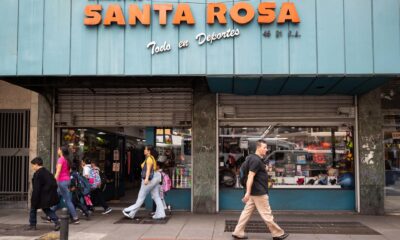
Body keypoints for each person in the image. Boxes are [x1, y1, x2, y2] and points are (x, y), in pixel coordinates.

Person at [232, 140, 289, 240]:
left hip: (254, 192)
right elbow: (250, 176)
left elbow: (256, 173)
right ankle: (277, 233)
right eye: (265, 147)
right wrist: (247, 193)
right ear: (258, 148)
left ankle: (238, 232)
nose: (266, 150)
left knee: (246, 213)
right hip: (258, 192)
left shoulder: (251, 159)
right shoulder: (256, 160)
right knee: (267, 214)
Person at [122, 145, 166, 220]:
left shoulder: (149, 159)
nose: (144, 150)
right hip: (156, 178)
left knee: (141, 197)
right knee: (156, 196)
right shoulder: (152, 158)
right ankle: (161, 214)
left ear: (149, 151)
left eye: (145, 149)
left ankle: (129, 211)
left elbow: (148, 170)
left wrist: (146, 179)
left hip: (149, 179)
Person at [27, 157, 60, 231]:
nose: (32, 167)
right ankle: (57, 222)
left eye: (32, 165)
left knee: (33, 208)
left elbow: (36, 188)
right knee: (46, 209)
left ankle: (32, 225)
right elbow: (54, 184)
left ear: (36, 164)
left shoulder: (38, 174)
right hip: (47, 195)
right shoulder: (47, 172)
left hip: (41, 195)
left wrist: (34, 198)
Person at [55, 146, 80, 224]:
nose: (57, 150)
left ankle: (75, 218)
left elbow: (58, 171)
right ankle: (50, 214)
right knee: (56, 197)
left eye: (58, 149)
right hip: (66, 181)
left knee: (68, 200)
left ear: (61, 151)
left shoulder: (61, 159)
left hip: (62, 181)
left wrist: (53, 180)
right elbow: (68, 171)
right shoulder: (67, 160)